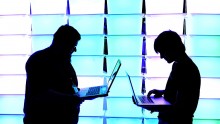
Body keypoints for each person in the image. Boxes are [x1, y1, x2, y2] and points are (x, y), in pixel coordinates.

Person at [23, 24, 84, 124]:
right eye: (73, 46)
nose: (74, 50)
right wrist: (71, 99)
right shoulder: (38, 60)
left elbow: (68, 85)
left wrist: (79, 94)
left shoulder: (64, 61)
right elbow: (41, 93)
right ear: (62, 44)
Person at [140, 30, 200, 124]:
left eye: (162, 52)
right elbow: (182, 92)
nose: (161, 56)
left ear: (171, 48)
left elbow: (181, 108)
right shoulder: (178, 64)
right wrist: (164, 92)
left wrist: (155, 107)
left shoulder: (187, 69)